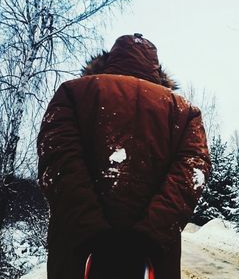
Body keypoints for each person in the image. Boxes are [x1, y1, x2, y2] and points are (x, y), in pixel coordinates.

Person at [37, 34, 211, 279]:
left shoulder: (72, 94)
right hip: (151, 260)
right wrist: (148, 236)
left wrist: (91, 230)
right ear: (156, 68)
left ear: (108, 59)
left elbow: (57, 163)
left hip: (79, 255)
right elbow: (192, 174)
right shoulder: (183, 112)